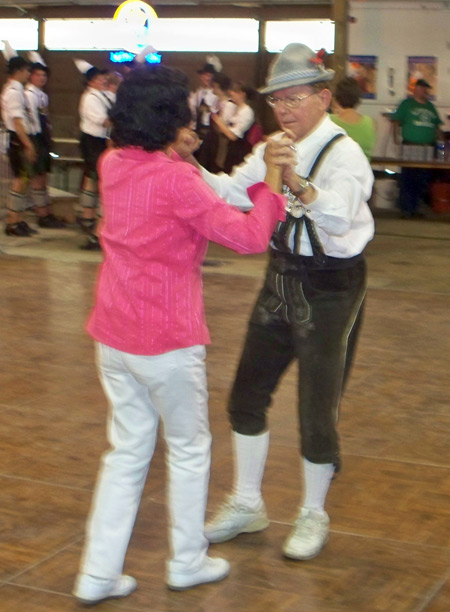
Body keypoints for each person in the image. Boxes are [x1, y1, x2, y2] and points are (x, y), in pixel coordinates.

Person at [72, 65, 285, 605]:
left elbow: (160, 169)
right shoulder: (176, 180)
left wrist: (179, 147)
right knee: (189, 449)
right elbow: (248, 237)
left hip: (114, 334)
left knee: (126, 452)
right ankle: (186, 560)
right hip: (166, 338)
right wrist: (273, 183)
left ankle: (98, 573)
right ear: (173, 119)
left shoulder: (114, 162)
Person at [187, 42, 374, 561]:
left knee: (317, 407)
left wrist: (295, 181)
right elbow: (232, 190)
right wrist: (185, 165)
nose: (285, 110)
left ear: (323, 97)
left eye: (295, 99)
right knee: (246, 395)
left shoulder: (345, 152)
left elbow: (339, 215)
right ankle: (248, 501)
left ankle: (314, 511)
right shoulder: (273, 144)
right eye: (278, 101)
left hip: (333, 284)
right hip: (281, 276)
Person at [392, 78, 443, 218]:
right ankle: (406, 209)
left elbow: (437, 127)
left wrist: (442, 146)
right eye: (423, 88)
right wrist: (396, 139)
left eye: (427, 88)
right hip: (410, 146)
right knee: (408, 177)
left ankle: (415, 208)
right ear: (416, 89)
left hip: (427, 148)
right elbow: (396, 122)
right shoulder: (406, 104)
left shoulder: (431, 107)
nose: (425, 91)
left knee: (422, 178)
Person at [25, 54, 65, 228]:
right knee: (37, 177)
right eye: (38, 75)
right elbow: (32, 121)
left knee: (43, 176)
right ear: (30, 75)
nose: (42, 78)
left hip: (43, 138)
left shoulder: (42, 96)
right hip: (35, 138)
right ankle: (42, 213)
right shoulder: (29, 94)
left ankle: (46, 211)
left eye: (44, 75)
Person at [0, 52, 37, 236]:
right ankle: (12, 222)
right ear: (20, 71)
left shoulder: (15, 90)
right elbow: (17, 122)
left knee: (24, 180)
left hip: (19, 138)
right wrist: (28, 144)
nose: (28, 74)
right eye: (26, 71)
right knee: (19, 181)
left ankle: (19, 219)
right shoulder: (13, 92)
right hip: (17, 139)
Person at [76, 61, 111, 250]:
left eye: (103, 78)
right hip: (93, 141)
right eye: (99, 78)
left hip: (99, 142)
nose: (103, 80)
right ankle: (93, 223)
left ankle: (88, 217)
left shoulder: (101, 95)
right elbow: (102, 120)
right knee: (99, 180)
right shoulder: (90, 98)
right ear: (90, 82)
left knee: (93, 178)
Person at [210, 81, 257, 174]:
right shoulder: (235, 108)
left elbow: (233, 136)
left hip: (237, 151)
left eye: (234, 91)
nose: (231, 93)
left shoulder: (247, 112)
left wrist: (219, 122)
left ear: (242, 94)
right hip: (227, 149)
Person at [330, 76, 376, 160]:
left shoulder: (328, 121)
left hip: (337, 172)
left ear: (337, 98)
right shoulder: (371, 123)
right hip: (364, 172)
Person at [189, 58, 220, 170]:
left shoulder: (217, 94)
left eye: (210, 75)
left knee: (208, 162)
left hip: (210, 131)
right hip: (197, 130)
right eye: (205, 75)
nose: (207, 78)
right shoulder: (197, 93)